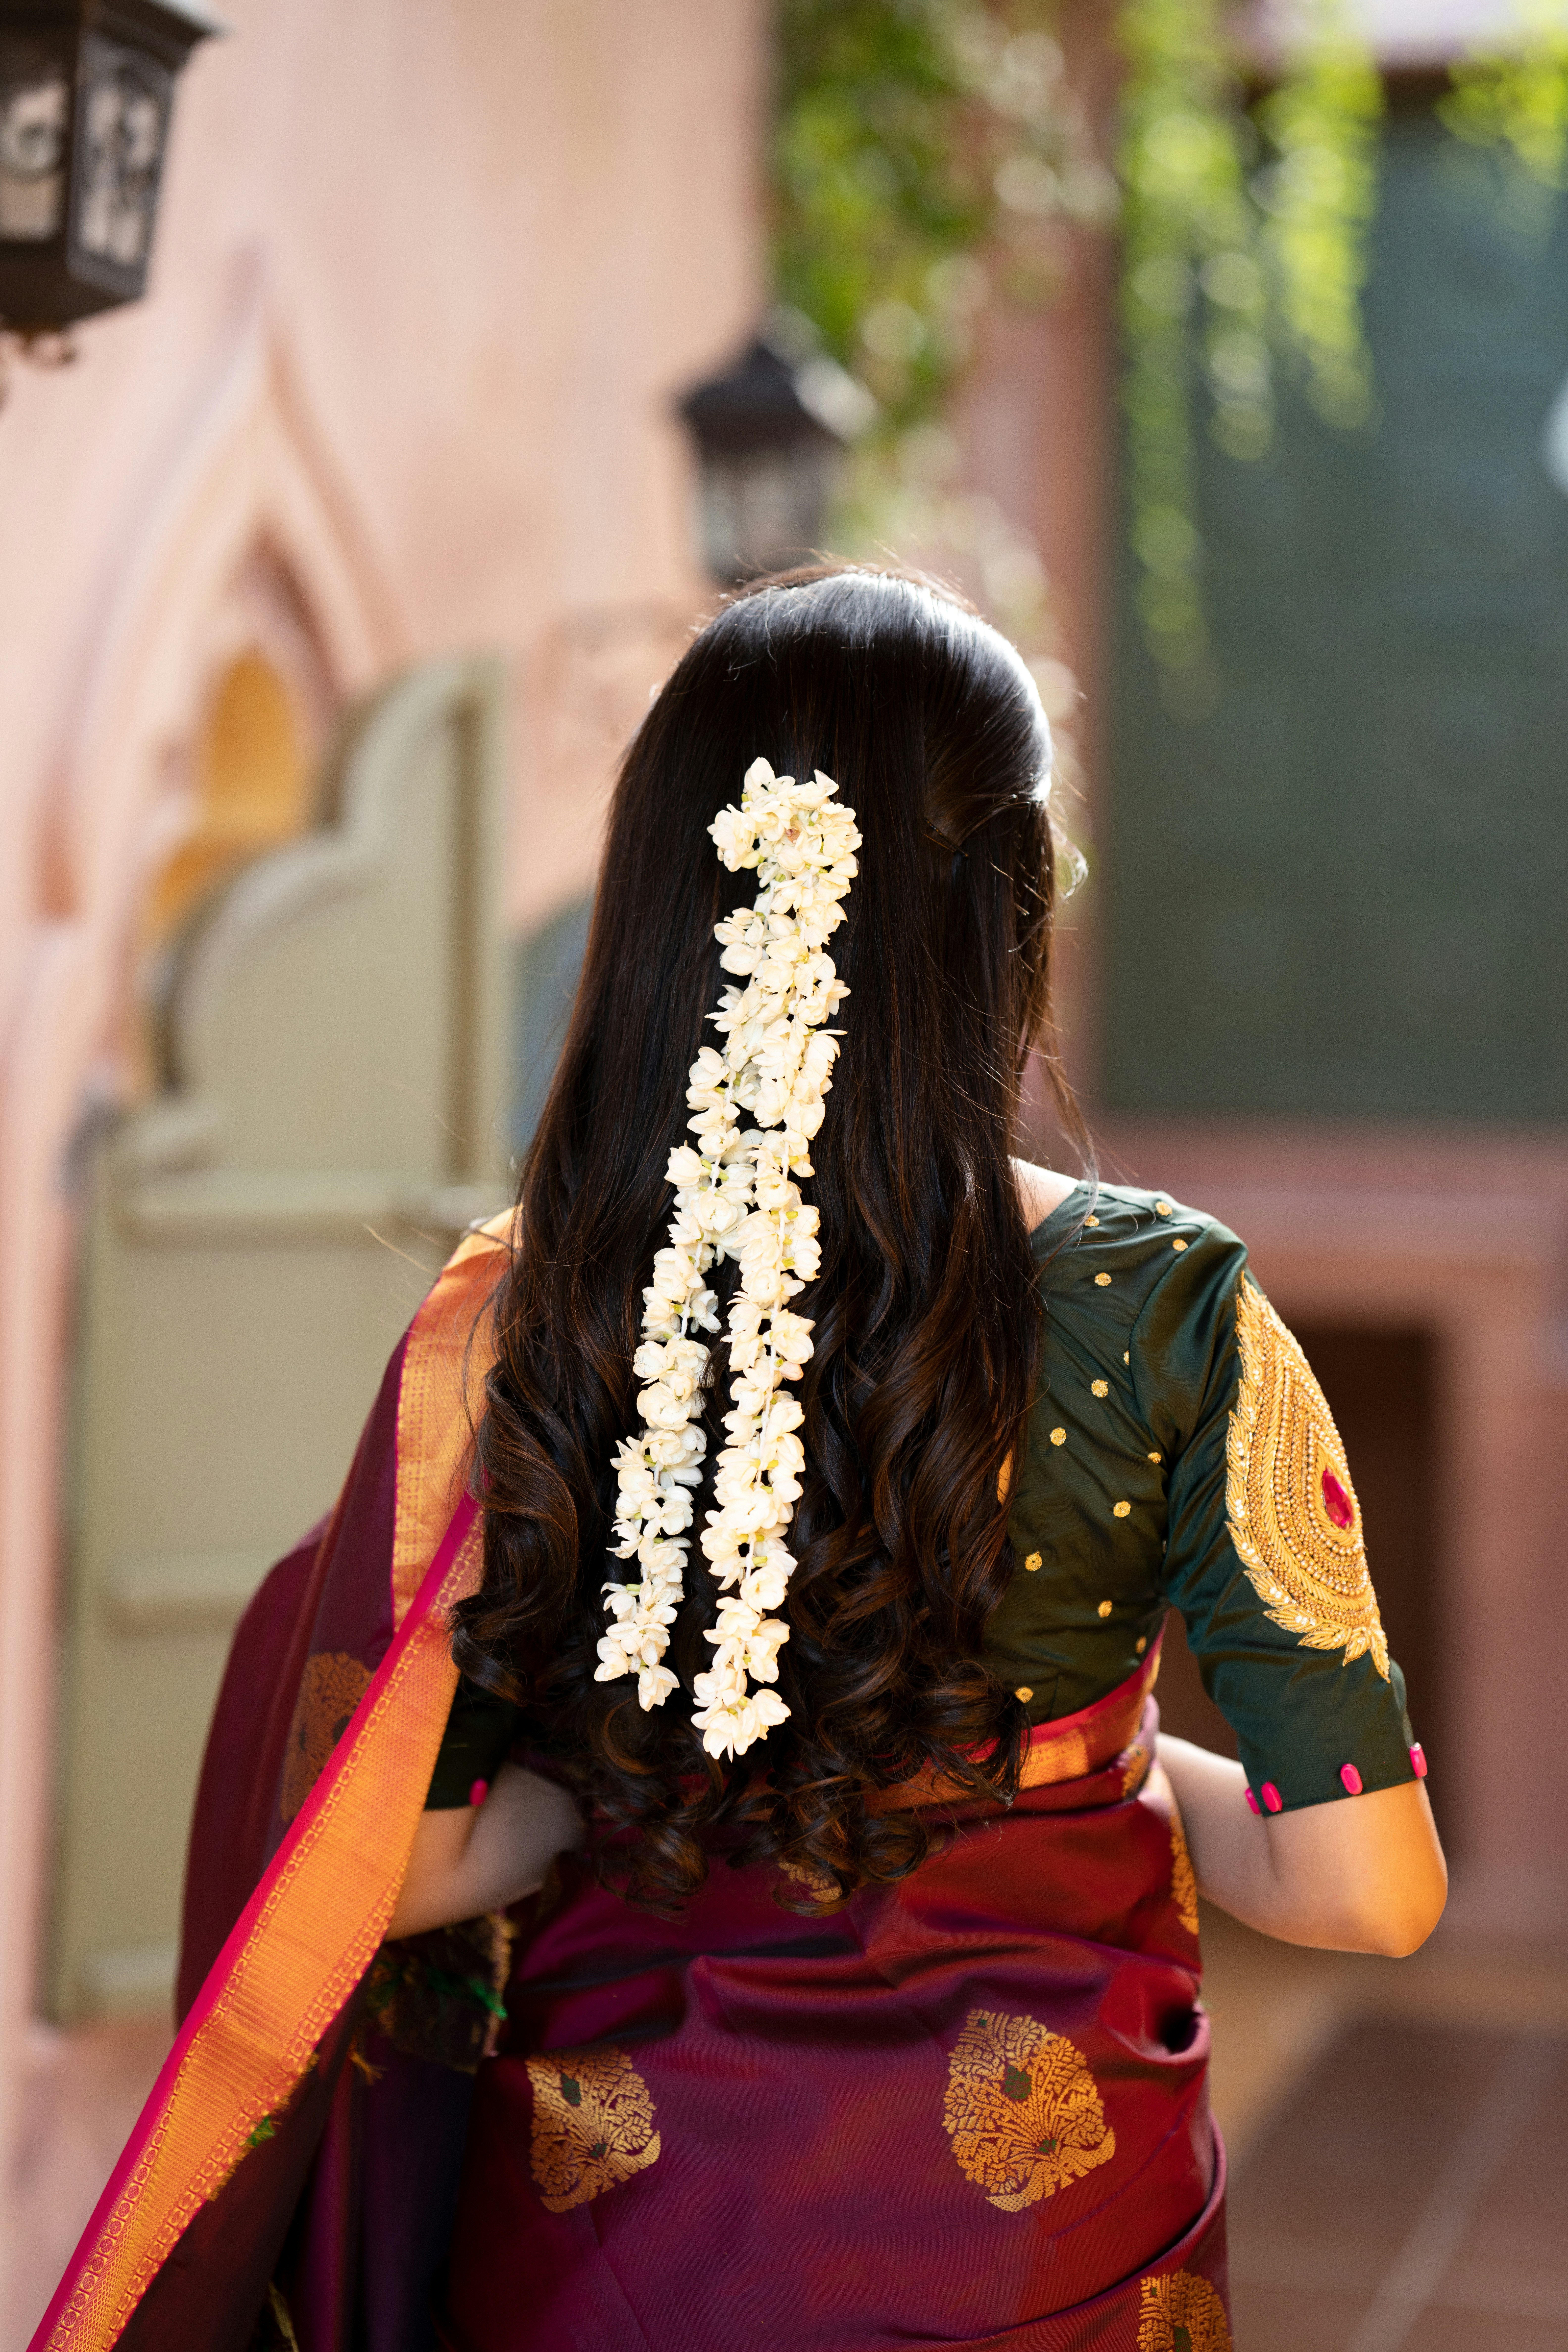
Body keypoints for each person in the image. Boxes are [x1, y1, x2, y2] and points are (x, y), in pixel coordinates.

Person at [35, 566, 1445, 2352]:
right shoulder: (1172, 1313)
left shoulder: (532, 1316)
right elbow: (1368, 1890)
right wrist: (1106, 1764)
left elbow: (373, 1863)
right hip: (1042, 2260)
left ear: (668, 914)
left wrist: (582, 1789)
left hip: (621, 2256)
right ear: (1011, 912)